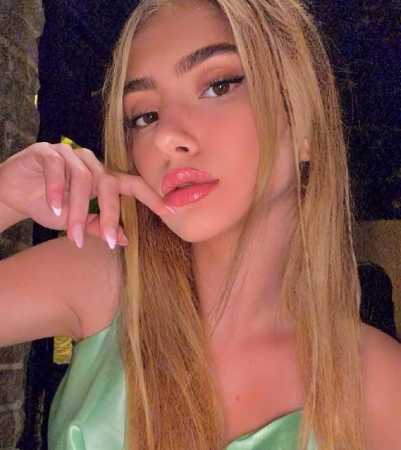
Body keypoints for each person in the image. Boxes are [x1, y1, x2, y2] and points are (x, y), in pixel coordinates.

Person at [0, 1, 400, 449]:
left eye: (218, 86)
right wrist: (5, 196)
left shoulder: (380, 385)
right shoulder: (102, 279)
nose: (166, 137)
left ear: (302, 117)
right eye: (144, 116)